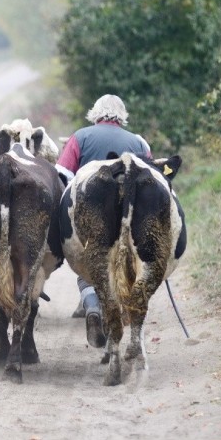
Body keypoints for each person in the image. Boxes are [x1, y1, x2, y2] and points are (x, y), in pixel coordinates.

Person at [55, 94, 152, 348]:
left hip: (91, 214)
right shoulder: (139, 143)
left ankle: (93, 309)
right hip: (130, 219)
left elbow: (62, 176)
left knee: (89, 270)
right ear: (122, 116)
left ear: (95, 114)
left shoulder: (80, 137)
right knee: (124, 269)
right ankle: (118, 332)